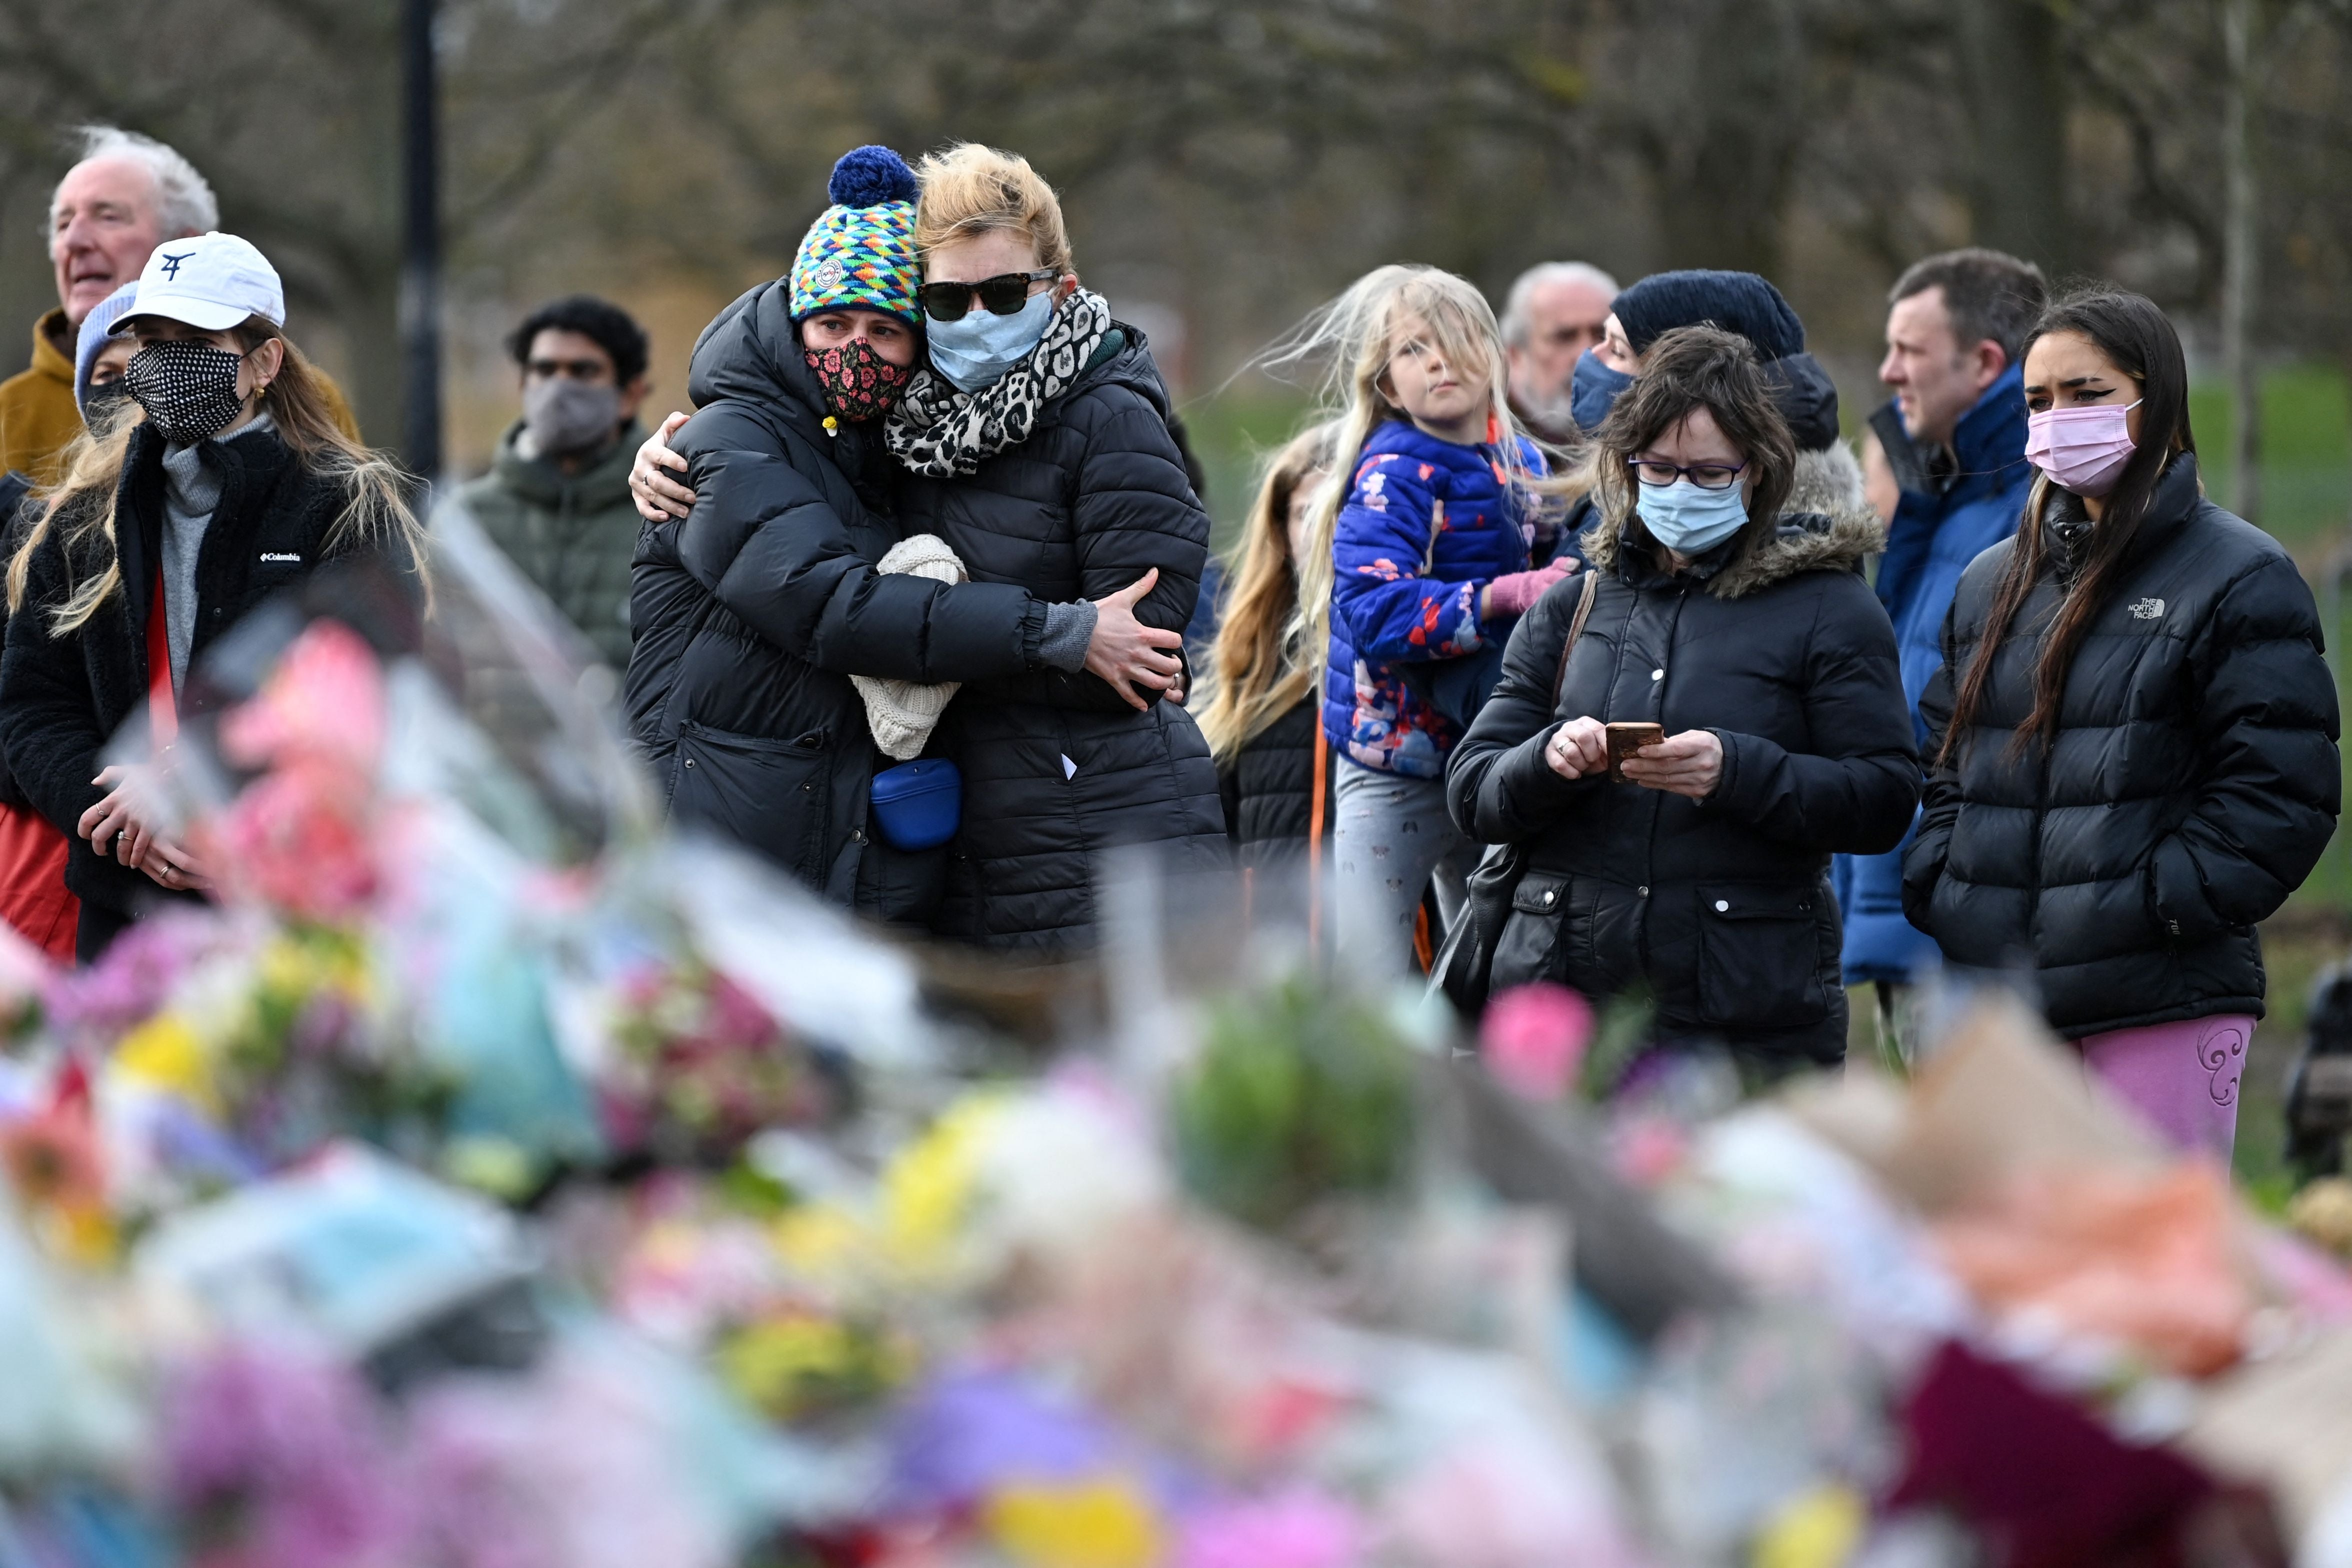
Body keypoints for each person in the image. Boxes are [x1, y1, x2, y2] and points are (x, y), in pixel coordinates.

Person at [622, 147, 1184, 926]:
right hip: (730, 833)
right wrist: (1058, 633)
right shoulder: (727, 442)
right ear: (793, 322)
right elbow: (831, 605)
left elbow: (1149, 630)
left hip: (937, 835)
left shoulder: (899, 446)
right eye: (830, 322)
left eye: (887, 329)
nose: (856, 351)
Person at [1904, 288, 2339, 1158]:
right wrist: (1946, 889)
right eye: (2037, 401)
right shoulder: (1993, 582)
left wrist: (2148, 907)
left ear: (2157, 401)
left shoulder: (2238, 575)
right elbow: (1942, 764)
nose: (2057, 417)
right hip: (1993, 1003)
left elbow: (2277, 795)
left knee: (2147, 1275)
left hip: (2159, 1001)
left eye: (2086, 393)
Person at [1448, 326, 1917, 1075]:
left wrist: (1738, 771)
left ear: (1756, 474)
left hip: (1742, 1019)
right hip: (1571, 1016)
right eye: (1658, 470)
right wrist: (1549, 758)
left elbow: (1885, 794)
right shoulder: (1574, 603)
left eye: (1707, 474)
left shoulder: (1830, 607)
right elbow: (1474, 791)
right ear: (1627, 471)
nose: (1679, 491)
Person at [0, 232, 430, 962]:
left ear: (265, 362)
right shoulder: (79, 519)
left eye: (194, 340)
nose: (165, 363)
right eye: (152, 340)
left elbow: (371, 699)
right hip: (124, 918)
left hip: (291, 913)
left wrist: (194, 792)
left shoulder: (346, 505)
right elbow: (33, 703)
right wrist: (110, 806)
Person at [1286, 264, 1567, 980]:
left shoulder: (1523, 463)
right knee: (1368, 969)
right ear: (1386, 383)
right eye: (1415, 350)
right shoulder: (1392, 474)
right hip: (1395, 758)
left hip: (1487, 753)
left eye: (1457, 337)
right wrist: (1503, 596)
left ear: (1498, 353)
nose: (1440, 360)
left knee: (1494, 963)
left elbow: (1551, 591)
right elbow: (1376, 611)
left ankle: (1476, 1079)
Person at [1834, 248, 2048, 1056]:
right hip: (1916, 904)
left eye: (1907, 350)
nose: (1888, 372)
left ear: (1984, 360)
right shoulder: (1943, 487)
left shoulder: (2028, 501)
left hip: (1969, 927)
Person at [0, 127, 356, 484]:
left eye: (108, 217)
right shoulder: (10, 412)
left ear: (186, 243)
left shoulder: (311, 403)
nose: (74, 241)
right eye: (63, 224)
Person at [458, 295, 652, 668]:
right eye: (545, 371)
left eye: (583, 372)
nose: (560, 389)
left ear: (629, 395)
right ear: (523, 386)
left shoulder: (664, 512)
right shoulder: (466, 519)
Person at [1197, 422, 1338, 900]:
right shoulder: (1251, 655)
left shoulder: (1406, 644)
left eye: (1340, 509)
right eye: (1306, 514)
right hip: (1275, 947)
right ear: (1280, 530)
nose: (1323, 530)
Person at [1500, 260, 1620, 444]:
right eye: (1565, 337)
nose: (1588, 354)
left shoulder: (1656, 445)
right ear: (1515, 356)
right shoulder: (1481, 452)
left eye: (1602, 335)